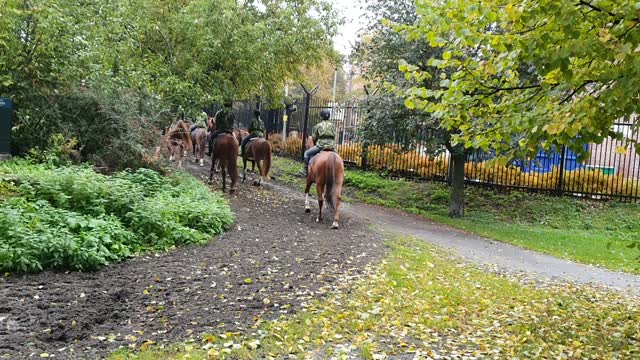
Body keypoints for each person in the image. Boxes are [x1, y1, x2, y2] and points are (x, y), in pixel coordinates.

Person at [302, 109, 335, 176]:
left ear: (321, 116)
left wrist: (315, 143)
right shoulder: (332, 125)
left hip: (321, 146)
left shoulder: (318, 125)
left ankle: (305, 171)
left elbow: (314, 137)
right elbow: (334, 136)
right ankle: (342, 173)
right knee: (339, 158)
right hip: (331, 146)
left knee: (306, 154)